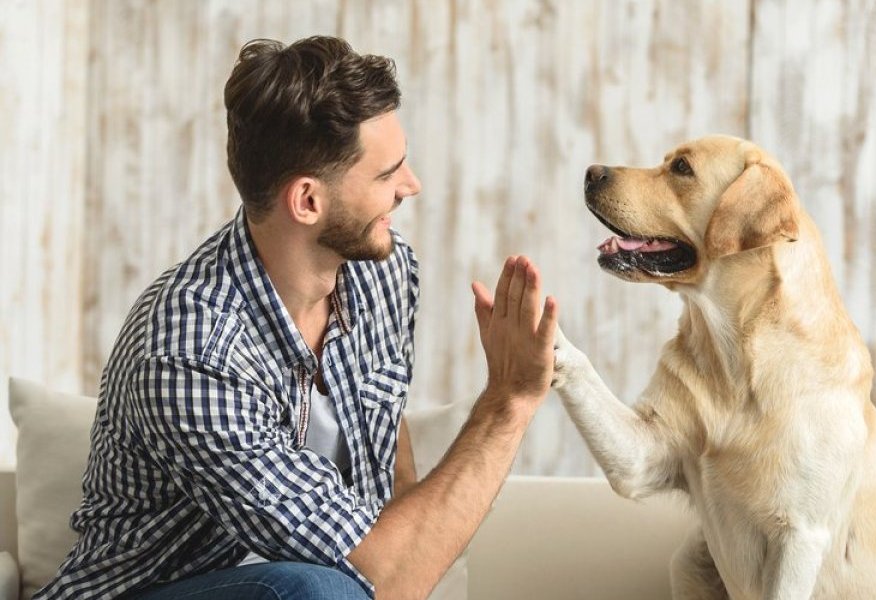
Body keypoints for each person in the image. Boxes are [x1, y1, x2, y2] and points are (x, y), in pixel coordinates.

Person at [36, 35, 558, 600]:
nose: (412, 186)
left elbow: (391, 490)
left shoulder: (383, 273)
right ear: (307, 201)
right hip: (149, 590)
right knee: (317, 591)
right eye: (387, 174)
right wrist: (509, 400)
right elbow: (386, 576)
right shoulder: (191, 350)